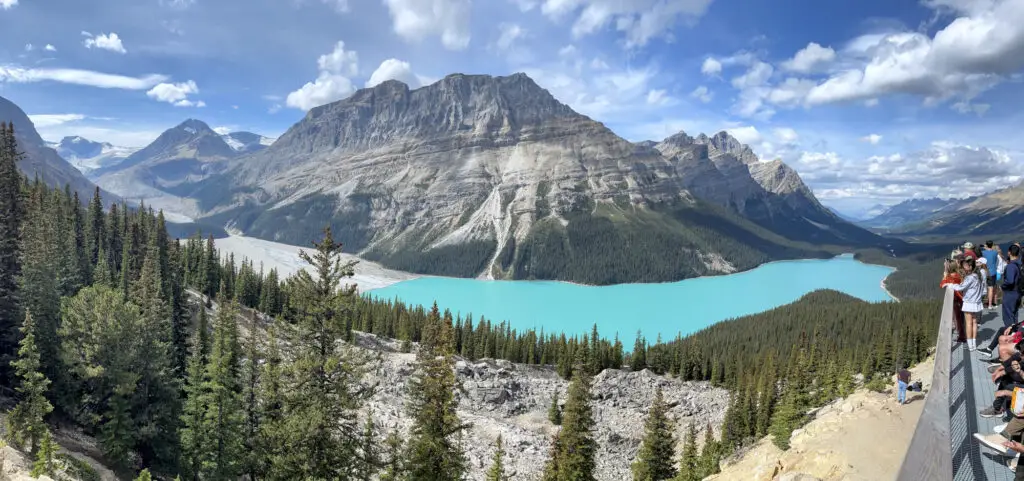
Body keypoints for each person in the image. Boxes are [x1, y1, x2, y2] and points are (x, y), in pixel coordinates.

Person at [951, 257, 985, 350]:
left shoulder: (970, 277)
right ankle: (973, 343)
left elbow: (960, 288)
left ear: (970, 266)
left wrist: (950, 285)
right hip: (976, 301)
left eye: (965, 266)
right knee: (974, 322)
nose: (963, 267)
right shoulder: (979, 275)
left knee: (969, 323)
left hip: (969, 302)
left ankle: (970, 346)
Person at [942, 257, 967, 344]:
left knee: (957, 318)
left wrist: (945, 274)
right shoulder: (959, 275)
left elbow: (942, 284)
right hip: (961, 298)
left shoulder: (950, 277)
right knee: (961, 317)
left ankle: (961, 336)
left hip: (955, 299)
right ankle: (963, 335)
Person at [986, 241, 1002, 309]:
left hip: (988, 272)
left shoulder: (984, 253)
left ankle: (990, 304)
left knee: (990, 289)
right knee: (994, 288)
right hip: (994, 272)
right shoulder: (996, 253)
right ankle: (994, 303)